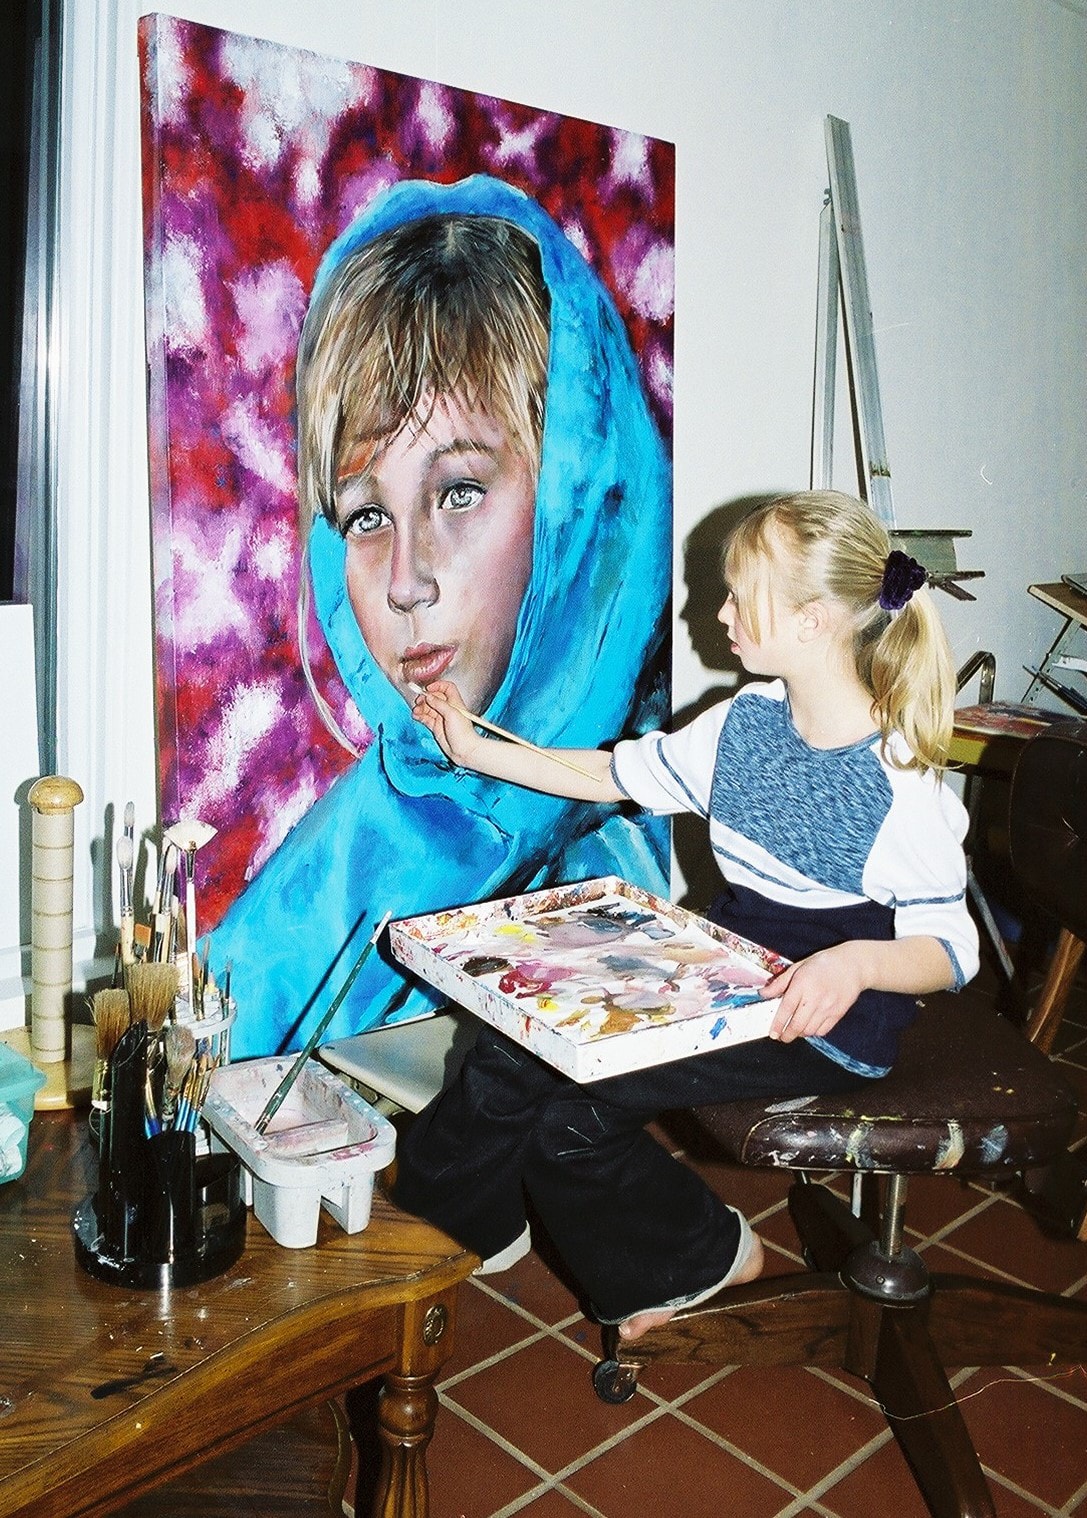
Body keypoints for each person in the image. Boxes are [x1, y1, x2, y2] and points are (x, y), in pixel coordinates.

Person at [394, 489, 980, 1341]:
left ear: (812, 622)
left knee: (571, 1122)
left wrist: (854, 964)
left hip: (821, 1015)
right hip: (725, 962)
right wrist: (472, 747)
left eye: (740, 596)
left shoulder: (897, 784)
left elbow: (951, 948)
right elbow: (613, 774)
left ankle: (703, 1257)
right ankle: (462, 1226)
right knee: (515, 1038)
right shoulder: (742, 723)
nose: (720, 613)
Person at [208, 174, 671, 1058]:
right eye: (366, 517)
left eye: (458, 492)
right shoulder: (340, 865)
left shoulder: (644, 855)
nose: (405, 582)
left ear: (578, 501)